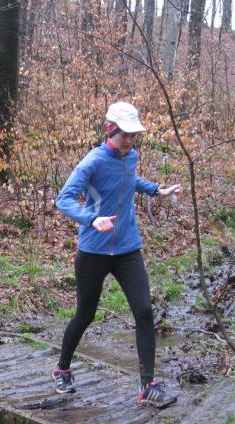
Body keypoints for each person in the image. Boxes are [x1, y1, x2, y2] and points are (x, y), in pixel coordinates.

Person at [52, 101, 182, 406]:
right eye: (125, 135)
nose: (130, 141)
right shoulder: (92, 162)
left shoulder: (131, 156)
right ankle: (62, 368)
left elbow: (128, 180)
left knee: (144, 311)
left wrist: (156, 190)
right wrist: (91, 218)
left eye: (134, 135)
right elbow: (64, 198)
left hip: (127, 249)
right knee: (85, 314)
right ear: (110, 130)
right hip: (93, 251)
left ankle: (147, 386)